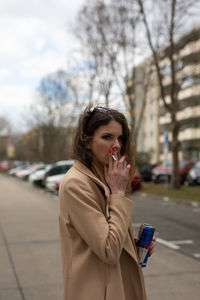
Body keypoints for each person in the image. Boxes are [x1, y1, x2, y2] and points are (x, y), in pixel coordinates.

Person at [59, 106, 155, 300]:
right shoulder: (76, 183)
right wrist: (118, 193)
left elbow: (108, 237)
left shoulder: (104, 178)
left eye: (120, 138)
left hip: (117, 284)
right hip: (96, 291)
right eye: (107, 137)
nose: (117, 145)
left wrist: (133, 248)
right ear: (87, 141)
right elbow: (108, 250)